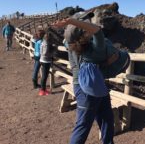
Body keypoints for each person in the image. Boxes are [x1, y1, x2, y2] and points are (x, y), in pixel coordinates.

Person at [53, 13, 129, 144]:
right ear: (84, 34)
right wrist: (72, 21)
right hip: (88, 89)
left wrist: (68, 26)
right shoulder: (97, 49)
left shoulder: (70, 45)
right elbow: (97, 31)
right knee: (84, 125)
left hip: (89, 85)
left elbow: (68, 38)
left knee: (106, 118)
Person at [39, 29, 55, 96]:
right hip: (46, 61)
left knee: (44, 76)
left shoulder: (43, 42)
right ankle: (43, 91)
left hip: (42, 60)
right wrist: (52, 53)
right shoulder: (46, 43)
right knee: (44, 76)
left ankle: (43, 89)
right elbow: (45, 53)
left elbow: (41, 52)